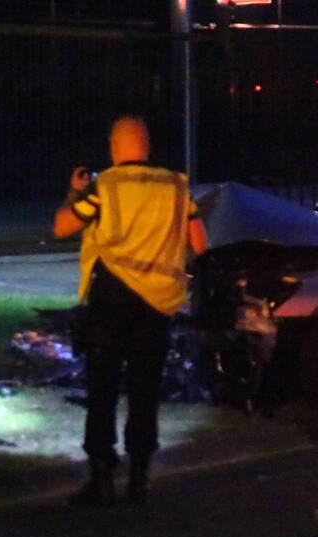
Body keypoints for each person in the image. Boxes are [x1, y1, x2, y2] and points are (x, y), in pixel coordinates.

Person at [53, 116, 207, 506]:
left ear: (114, 148)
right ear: (147, 146)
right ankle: (140, 476)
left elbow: (62, 227)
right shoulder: (176, 185)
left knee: (102, 387)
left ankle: (101, 476)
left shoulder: (104, 186)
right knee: (145, 390)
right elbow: (199, 242)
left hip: (112, 298)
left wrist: (74, 193)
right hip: (157, 303)